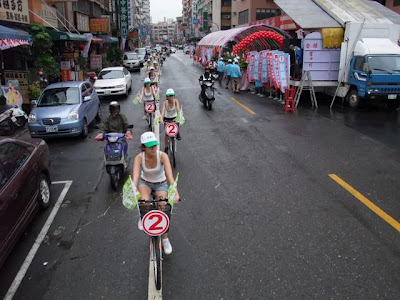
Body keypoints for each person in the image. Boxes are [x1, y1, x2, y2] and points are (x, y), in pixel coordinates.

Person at [133, 131, 180, 255]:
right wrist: (133, 190)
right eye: (150, 146)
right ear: (143, 147)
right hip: (145, 183)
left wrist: (175, 192)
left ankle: (165, 239)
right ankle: (142, 215)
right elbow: (136, 177)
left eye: (155, 145)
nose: (154, 148)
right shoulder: (139, 158)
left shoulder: (163, 156)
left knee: (163, 208)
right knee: (143, 201)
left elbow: (170, 177)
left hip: (161, 183)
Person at [160, 88, 181, 152]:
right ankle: (166, 147)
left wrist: (179, 117)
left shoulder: (176, 101)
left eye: (172, 95)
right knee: (166, 134)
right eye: (169, 96)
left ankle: (177, 132)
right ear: (167, 97)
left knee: (177, 124)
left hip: (174, 117)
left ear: (174, 96)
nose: (171, 97)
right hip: (167, 118)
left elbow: (178, 110)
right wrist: (161, 119)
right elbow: (163, 111)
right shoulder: (165, 103)